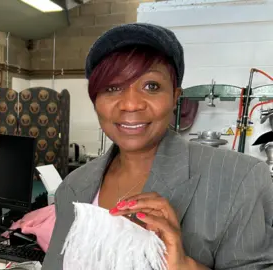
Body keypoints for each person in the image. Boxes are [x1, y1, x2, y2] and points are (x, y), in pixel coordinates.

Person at [43, 23, 273, 269]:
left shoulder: (240, 180)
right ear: (95, 100)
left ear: (175, 97)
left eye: (151, 86)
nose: (130, 104)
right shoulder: (74, 186)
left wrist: (185, 266)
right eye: (112, 88)